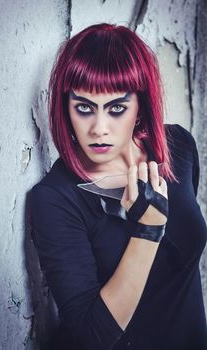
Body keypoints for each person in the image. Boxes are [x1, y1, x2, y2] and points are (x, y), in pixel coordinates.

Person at [29, 23, 207, 350]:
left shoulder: (178, 146)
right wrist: (148, 232)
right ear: (66, 109)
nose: (99, 128)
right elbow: (91, 336)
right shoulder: (54, 199)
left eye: (116, 109)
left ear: (140, 107)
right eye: (84, 108)